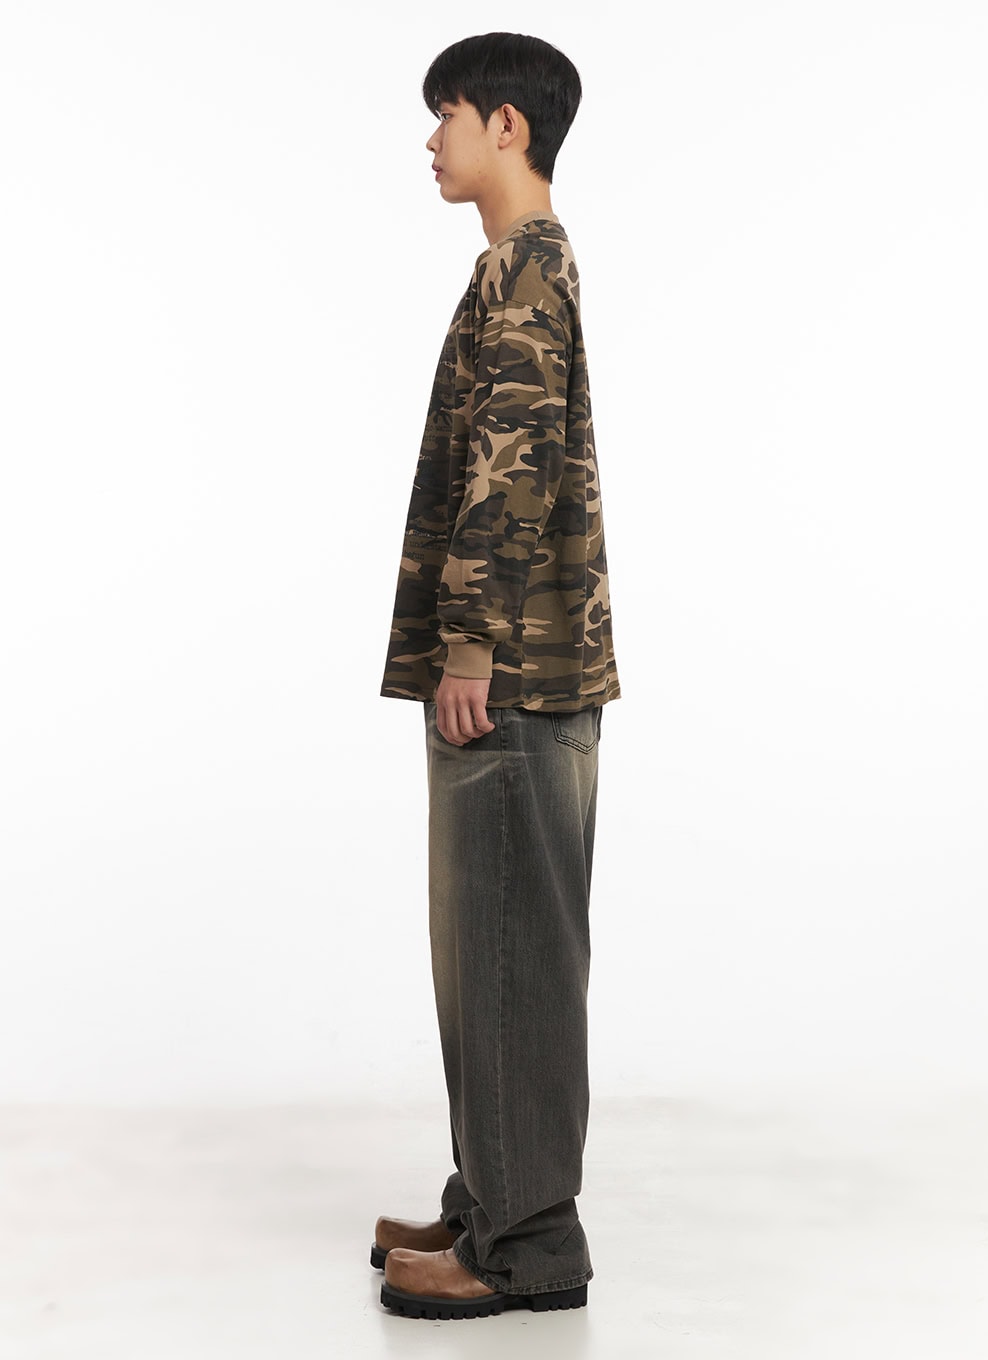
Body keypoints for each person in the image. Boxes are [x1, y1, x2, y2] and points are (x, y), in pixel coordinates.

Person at [374, 31, 621, 1321]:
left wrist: (468, 642)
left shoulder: (528, 266)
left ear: (507, 127)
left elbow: (512, 464)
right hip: (508, 668)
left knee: (514, 952)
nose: (433, 141)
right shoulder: (511, 267)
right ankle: (489, 1195)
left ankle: (527, 1246)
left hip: (513, 673)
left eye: (448, 115)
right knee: (483, 951)